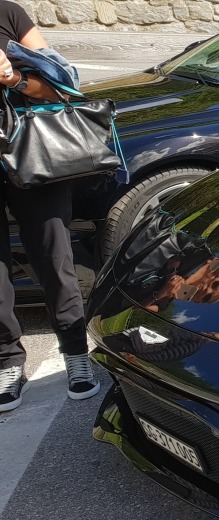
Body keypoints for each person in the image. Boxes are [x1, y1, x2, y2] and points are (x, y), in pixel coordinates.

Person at [0, 1, 99, 412]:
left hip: (33, 151)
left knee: (54, 257)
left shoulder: (7, 13)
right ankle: (7, 360)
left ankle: (75, 353)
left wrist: (13, 77)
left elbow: (62, 86)